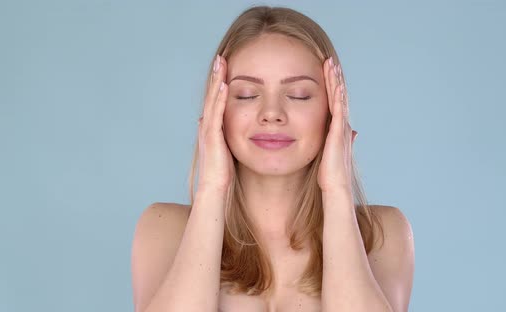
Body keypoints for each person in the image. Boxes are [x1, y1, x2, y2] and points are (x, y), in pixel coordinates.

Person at [131, 5, 414, 312]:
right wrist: (212, 187)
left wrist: (337, 190)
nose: (272, 114)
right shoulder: (163, 228)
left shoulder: (383, 233)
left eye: (299, 95)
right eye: (247, 95)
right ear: (219, 110)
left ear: (332, 111)